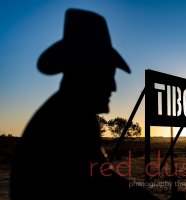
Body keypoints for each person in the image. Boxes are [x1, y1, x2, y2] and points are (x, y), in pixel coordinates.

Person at [10, 8, 159, 200]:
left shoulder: (65, 112)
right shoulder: (70, 120)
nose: (113, 87)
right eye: (107, 75)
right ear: (85, 71)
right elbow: (104, 185)